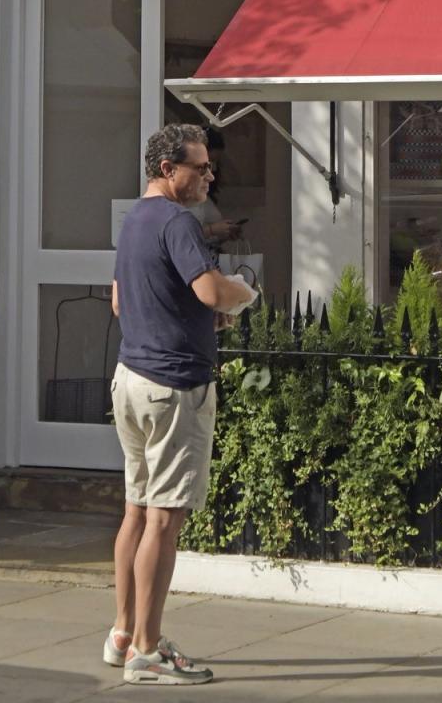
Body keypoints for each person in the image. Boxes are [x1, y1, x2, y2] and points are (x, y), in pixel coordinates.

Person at [106, 122, 256, 686]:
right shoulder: (177, 222)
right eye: (200, 167)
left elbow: (125, 300)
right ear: (168, 170)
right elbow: (214, 290)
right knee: (164, 522)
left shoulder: (135, 222)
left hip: (132, 379)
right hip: (174, 388)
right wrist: (244, 291)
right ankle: (148, 651)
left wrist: (194, 313)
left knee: (137, 512)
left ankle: (123, 633)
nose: (209, 175)